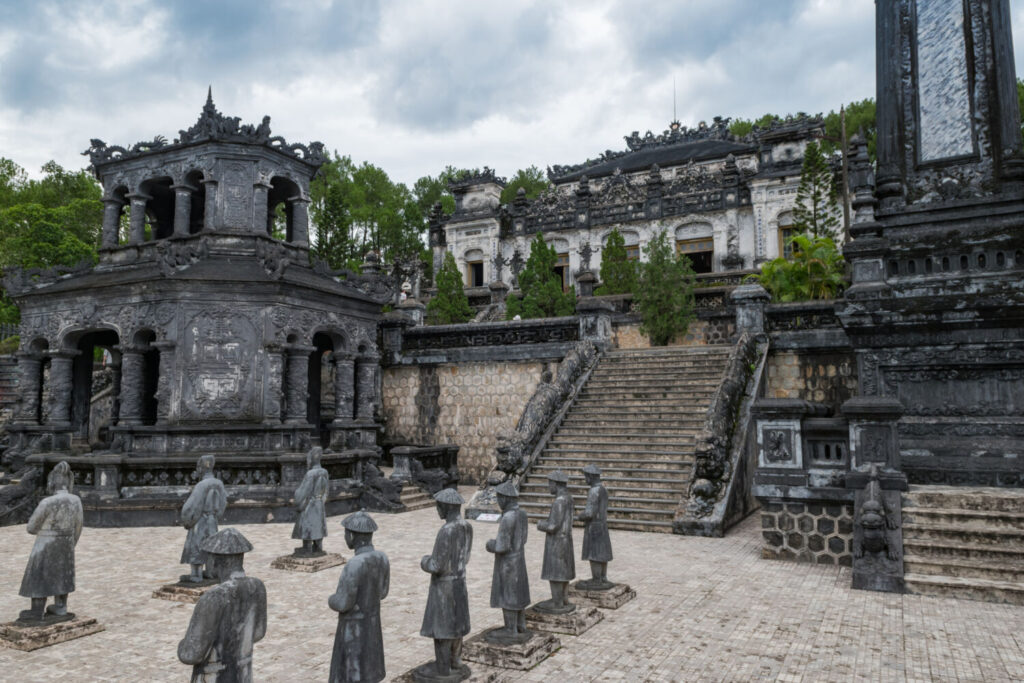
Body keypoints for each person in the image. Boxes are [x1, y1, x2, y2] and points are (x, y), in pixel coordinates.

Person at [178, 528, 267, 683]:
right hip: (243, 673)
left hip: (213, 677)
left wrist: (182, 645)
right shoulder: (257, 587)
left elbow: (191, 654)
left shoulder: (213, 597)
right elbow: (258, 633)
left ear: (214, 561)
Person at [328, 510, 390, 683]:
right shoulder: (382, 558)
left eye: (346, 533)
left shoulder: (354, 564)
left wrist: (331, 599)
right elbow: (383, 592)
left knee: (352, 671)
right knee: (369, 669)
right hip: (372, 624)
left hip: (353, 629)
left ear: (352, 535)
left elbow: (342, 603)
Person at [17, 461, 83, 622]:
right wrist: (70, 543)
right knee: (63, 574)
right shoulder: (76, 500)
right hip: (66, 543)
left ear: (51, 482)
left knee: (39, 574)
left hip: (45, 543)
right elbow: (78, 527)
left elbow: (31, 527)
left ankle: (37, 609)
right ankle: (61, 606)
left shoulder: (47, 502)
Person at [418, 488, 473, 680]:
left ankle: (443, 668)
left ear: (447, 507)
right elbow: (465, 558)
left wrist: (424, 561)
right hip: (459, 582)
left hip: (444, 587)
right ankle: (455, 661)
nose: (437, 510)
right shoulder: (466, 526)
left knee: (442, 628)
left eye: (438, 506)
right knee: (457, 624)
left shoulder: (446, 530)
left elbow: (437, 565)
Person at [484, 481, 531, 642]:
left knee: (508, 594)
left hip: (508, 563)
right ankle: (520, 625)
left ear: (505, 498)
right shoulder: (522, 514)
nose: (498, 501)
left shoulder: (508, 517)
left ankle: (510, 629)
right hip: (519, 559)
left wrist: (490, 544)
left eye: (499, 497)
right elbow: (524, 539)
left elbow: (502, 546)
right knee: (518, 592)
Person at [180, 455, 228, 583]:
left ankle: (196, 575)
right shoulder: (219, 483)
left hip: (200, 520)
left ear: (201, 468)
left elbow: (192, 506)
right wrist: (216, 516)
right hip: (213, 520)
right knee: (212, 544)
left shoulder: (201, 485)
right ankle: (211, 572)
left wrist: (187, 521)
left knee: (197, 545)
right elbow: (223, 503)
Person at [536, 470, 575, 613]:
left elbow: (553, 526)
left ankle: (557, 602)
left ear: (556, 484)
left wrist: (540, 524)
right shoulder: (569, 498)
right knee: (563, 571)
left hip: (557, 542)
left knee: (555, 572)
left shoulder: (559, 501)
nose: (549, 486)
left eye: (550, 483)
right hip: (566, 540)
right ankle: (563, 599)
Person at [577, 464, 614, 590]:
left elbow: (589, 513)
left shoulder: (593, 491)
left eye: (586, 476)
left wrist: (579, 516)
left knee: (595, 554)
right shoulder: (603, 489)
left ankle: (597, 579)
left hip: (594, 527)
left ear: (591, 476)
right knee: (602, 553)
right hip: (602, 525)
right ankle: (603, 577)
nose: (585, 479)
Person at [291, 447, 329, 556]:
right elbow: (326, 490)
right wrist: (321, 500)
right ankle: (318, 547)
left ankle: (307, 548)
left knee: (307, 524)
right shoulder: (324, 472)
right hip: (319, 502)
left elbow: (304, 491)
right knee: (319, 525)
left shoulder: (311, 474)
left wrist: (297, 498)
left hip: (310, 503)